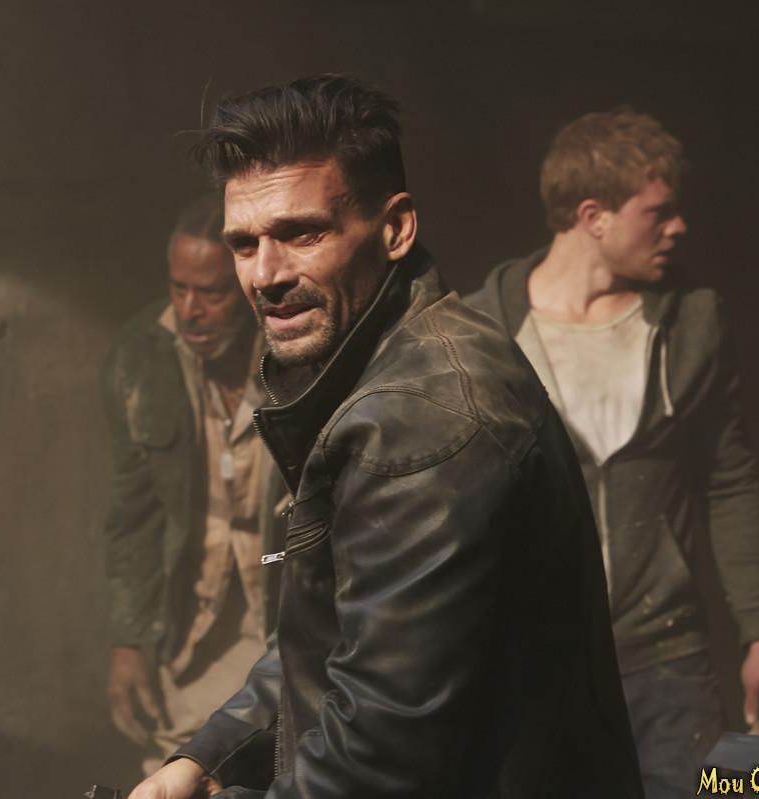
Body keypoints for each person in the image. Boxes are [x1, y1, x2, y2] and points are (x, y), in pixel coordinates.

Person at [130, 74, 642, 799]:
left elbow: (375, 764)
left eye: (302, 233)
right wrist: (204, 759)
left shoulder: (423, 422)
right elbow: (331, 638)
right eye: (244, 243)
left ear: (395, 228)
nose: (265, 275)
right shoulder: (382, 363)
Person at [464, 109, 759, 798]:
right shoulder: (482, 332)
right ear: (594, 216)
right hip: (535, 666)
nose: (679, 227)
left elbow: (729, 480)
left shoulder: (693, 321)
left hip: (668, 659)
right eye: (658, 212)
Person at [100, 195, 284, 774]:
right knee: (176, 770)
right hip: (197, 621)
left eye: (212, 292)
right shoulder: (141, 355)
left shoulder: (297, 351)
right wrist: (131, 637)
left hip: (284, 610)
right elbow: (134, 513)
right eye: (178, 288)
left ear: (250, 286)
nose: (189, 310)